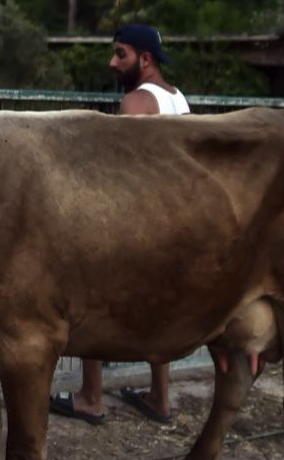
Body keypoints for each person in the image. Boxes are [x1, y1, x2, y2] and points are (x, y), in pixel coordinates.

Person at [50, 23, 190, 426]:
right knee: (159, 309)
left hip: (138, 224)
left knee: (88, 295)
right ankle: (160, 398)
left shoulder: (136, 102)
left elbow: (120, 172)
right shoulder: (178, 98)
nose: (113, 63)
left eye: (121, 54)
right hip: (174, 224)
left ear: (145, 59)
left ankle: (91, 397)